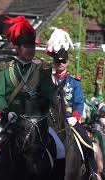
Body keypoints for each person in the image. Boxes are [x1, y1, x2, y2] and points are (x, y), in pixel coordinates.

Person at [0, 16, 56, 178]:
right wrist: (7, 112)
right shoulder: (6, 69)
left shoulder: (42, 69)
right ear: (18, 48)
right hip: (11, 121)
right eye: (26, 46)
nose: (30, 50)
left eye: (32, 46)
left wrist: (38, 112)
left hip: (37, 123)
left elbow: (48, 94)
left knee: (60, 148)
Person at [47, 27, 98, 177]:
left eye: (63, 62)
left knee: (87, 142)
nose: (60, 64)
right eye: (58, 61)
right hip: (51, 120)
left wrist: (75, 117)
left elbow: (79, 102)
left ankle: (92, 171)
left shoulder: (74, 82)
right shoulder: (48, 80)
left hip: (69, 120)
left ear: (67, 62)